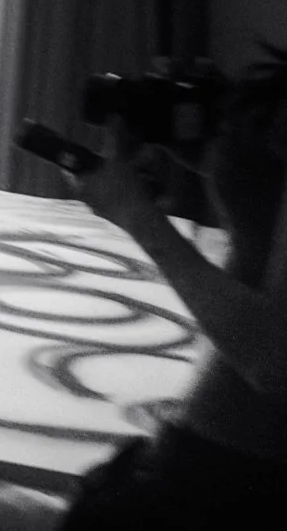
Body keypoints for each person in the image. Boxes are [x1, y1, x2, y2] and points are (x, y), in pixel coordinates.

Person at [61, 58, 287, 528]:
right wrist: (244, 208)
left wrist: (136, 213)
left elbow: (273, 357)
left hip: (229, 492)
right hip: (213, 470)